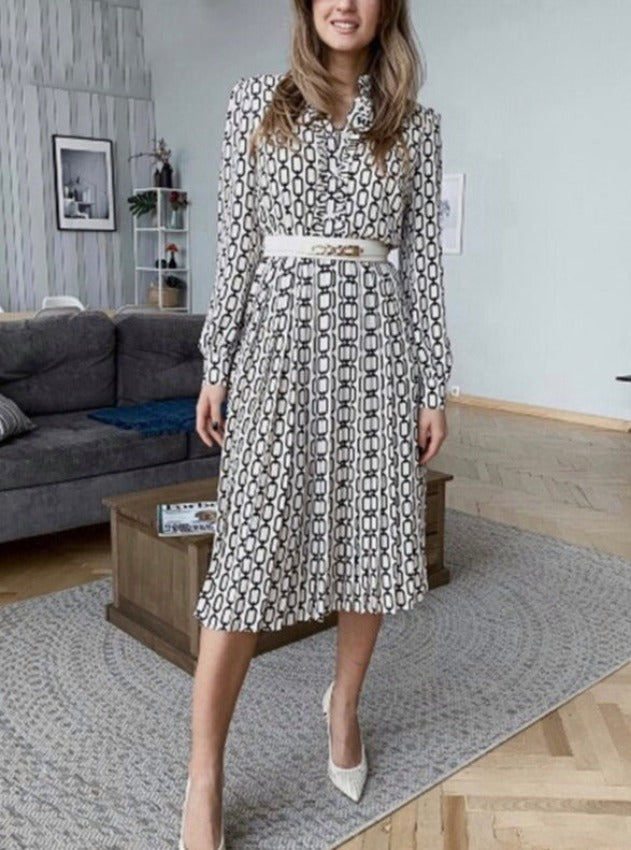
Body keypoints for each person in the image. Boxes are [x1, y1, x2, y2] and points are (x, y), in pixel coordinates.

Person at [180, 1, 453, 847]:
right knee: (245, 559)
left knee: (370, 543)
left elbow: (423, 268)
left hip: (376, 355)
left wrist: (433, 385)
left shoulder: (415, 125)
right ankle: (204, 773)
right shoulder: (255, 103)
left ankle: (343, 707)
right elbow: (236, 244)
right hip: (276, 349)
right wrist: (217, 362)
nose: (344, 4)